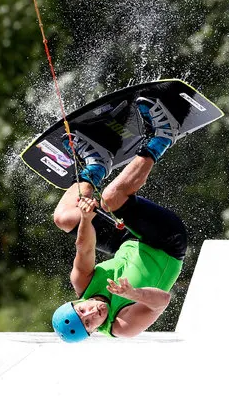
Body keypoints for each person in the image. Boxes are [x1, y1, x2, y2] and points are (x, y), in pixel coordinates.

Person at [51, 97, 188, 342]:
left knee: (64, 218)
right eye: (90, 322)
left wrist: (85, 217)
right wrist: (133, 293)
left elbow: (85, 247)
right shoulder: (122, 325)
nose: (93, 312)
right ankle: (164, 136)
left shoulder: (82, 282)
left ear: (76, 302)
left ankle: (96, 164)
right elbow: (163, 301)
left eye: (82, 310)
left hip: (127, 240)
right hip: (165, 244)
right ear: (94, 331)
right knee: (112, 197)